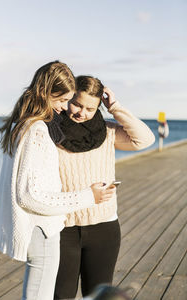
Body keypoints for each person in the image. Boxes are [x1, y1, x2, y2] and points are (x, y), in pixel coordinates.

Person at [0, 63, 114, 300]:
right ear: (46, 92)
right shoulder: (36, 129)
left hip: (37, 228)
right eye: (62, 99)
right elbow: (29, 195)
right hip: (41, 229)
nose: (65, 107)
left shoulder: (22, 123)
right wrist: (89, 196)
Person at [54, 75, 155, 299]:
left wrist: (115, 107)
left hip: (103, 230)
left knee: (99, 295)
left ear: (99, 106)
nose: (82, 112)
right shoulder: (51, 132)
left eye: (90, 108)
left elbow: (145, 140)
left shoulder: (108, 133)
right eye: (77, 104)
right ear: (68, 98)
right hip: (62, 229)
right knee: (60, 296)